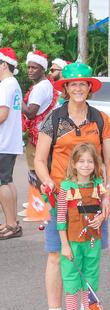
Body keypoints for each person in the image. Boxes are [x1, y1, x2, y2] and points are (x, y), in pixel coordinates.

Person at [35, 61, 110, 310]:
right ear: (66, 88)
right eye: (73, 84)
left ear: (89, 88)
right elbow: (39, 159)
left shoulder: (100, 118)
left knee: (89, 258)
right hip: (60, 199)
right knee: (57, 256)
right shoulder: (54, 119)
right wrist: (48, 183)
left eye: (83, 83)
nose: (79, 88)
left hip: (92, 199)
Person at [57, 143, 106, 310]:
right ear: (74, 164)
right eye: (82, 161)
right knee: (71, 283)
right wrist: (65, 245)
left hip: (92, 243)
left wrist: (102, 217)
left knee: (90, 283)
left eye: (90, 161)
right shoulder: (66, 188)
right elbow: (61, 218)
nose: (86, 165)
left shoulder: (98, 185)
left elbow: (103, 209)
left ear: (95, 164)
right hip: (72, 244)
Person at [19, 49, 56, 220]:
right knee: (41, 172)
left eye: (35, 67)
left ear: (42, 69)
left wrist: (18, 99)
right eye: (29, 67)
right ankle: (40, 208)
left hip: (38, 135)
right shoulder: (45, 85)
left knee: (37, 172)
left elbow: (31, 113)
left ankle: (39, 210)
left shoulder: (41, 88)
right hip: (42, 134)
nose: (30, 70)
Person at [0, 47, 23, 240]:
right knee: (7, 181)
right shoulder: (13, 83)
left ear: (3, 64)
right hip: (10, 141)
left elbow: (2, 114)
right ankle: (12, 222)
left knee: (2, 183)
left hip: (3, 142)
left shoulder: (5, 85)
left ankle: (10, 225)